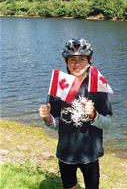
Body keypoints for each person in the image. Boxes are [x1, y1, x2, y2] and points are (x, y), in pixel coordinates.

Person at [39, 38, 112, 189]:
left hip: (90, 154)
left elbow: (108, 123)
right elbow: (57, 124)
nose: (77, 64)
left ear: (89, 61)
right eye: (72, 59)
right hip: (66, 153)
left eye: (82, 59)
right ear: (66, 62)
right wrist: (48, 118)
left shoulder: (97, 86)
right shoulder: (60, 85)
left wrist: (94, 115)